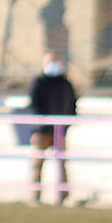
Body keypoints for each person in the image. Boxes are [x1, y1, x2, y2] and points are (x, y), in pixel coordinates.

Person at [27, 52, 77, 205]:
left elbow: (72, 105)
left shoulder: (65, 83)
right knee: (37, 164)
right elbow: (34, 105)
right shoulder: (38, 83)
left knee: (61, 163)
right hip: (41, 131)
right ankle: (35, 196)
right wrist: (42, 122)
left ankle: (63, 196)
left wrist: (66, 124)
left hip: (60, 131)